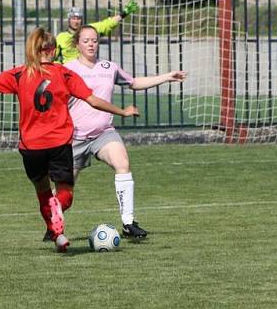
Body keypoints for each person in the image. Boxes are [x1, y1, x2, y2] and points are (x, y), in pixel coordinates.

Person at [0, 27, 139, 252]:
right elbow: (93, 101)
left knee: (43, 192)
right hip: (59, 144)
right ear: (54, 50)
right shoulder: (64, 74)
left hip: (31, 147)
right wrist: (122, 112)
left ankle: (57, 235)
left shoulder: (19, 74)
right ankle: (57, 210)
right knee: (64, 195)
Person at [65, 25, 186, 238]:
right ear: (77, 45)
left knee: (123, 164)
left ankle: (128, 223)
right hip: (74, 137)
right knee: (65, 193)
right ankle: (53, 224)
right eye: (86, 41)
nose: (91, 44)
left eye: (94, 40)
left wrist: (167, 76)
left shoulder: (108, 67)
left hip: (103, 132)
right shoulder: (67, 69)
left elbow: (134, 82)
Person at [54, 0, 139, 64]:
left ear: (82, 20)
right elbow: (53, 57)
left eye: (78, 18)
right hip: (68, 74)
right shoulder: (61, 37)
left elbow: (106, 24)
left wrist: (123, 14)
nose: (76, 21)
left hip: (87, 71)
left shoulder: (89, 31)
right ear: (69, 20)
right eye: (73, 18)